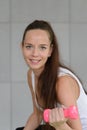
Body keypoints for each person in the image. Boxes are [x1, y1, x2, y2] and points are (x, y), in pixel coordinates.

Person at [19, 20, 87, 130]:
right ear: (22, 47)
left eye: (42, 47)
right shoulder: (31, 75)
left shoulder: (62, 83)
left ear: (50, 50)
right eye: (29, 46)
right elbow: (38, 114)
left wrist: (60, 125)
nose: (35, 53)